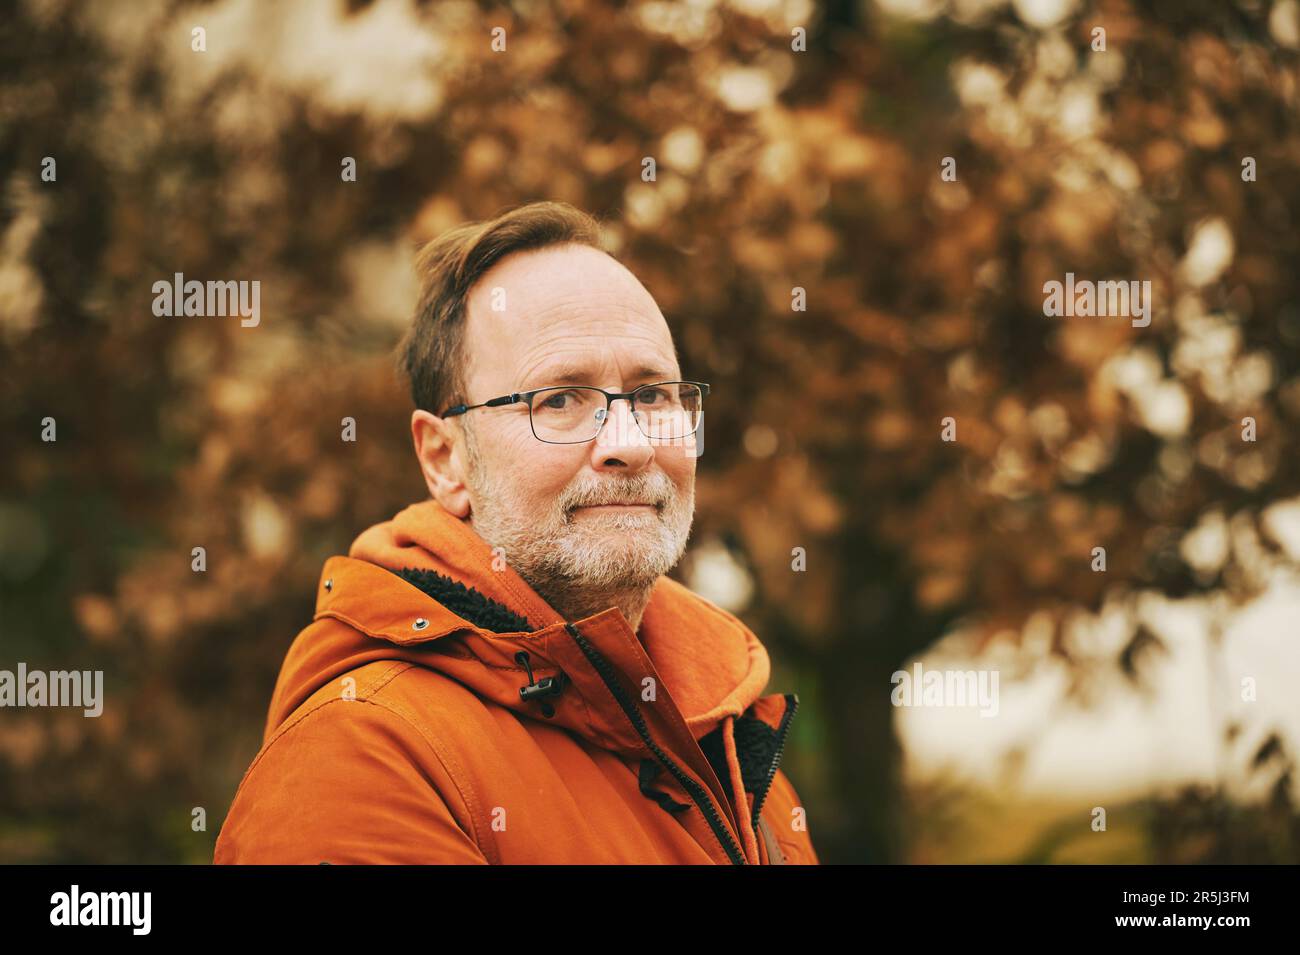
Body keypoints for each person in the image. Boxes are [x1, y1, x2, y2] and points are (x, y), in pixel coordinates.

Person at [213, 201, 819, 864]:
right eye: (558, 399)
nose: (630, 443)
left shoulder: (724, 735)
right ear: (446, 459)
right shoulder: (360, 765)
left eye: (653, 395)